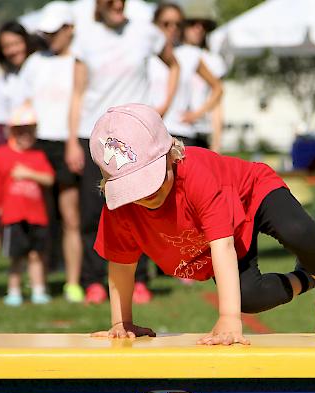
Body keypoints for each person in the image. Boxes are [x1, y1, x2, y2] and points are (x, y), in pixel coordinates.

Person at [90, 104, 315, 345]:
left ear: (171, 154)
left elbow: (223, 245)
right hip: (218, 237)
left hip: (251, 193)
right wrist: (121, 322)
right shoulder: (121, 209)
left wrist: (229, 319)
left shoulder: (197, 176)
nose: (147, 195)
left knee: (297, 230)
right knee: (249, 298)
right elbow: (121, 263)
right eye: (134, 188)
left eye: (151, 180)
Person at [67, 0, 180, 304]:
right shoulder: (85, 38)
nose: (117, 4)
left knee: (140, 208)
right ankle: (93, 281)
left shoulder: (145, 32)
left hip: (135, 137)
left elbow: (174, 65)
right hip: (95, 136)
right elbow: (77, 93)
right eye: (110, 1)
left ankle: (140, 279)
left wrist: (163, 108)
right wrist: (70, 141)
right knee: (93, 212)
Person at [17, 2, 85, 302]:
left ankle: (72, 282)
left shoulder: (80, 62)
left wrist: (73, 142)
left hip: (66, 144)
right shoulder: (35, 62)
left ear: (70, 29)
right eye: (46, 33)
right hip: (37, 145)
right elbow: (24, 104)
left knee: (70, 216)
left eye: (55, 32)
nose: (50, 38)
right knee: (38, 217)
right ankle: (40, 282)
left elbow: (81, 104)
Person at [0, 105, 55, 306]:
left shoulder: (37, 156)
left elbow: (49, 178)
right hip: (14, 215)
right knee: (16, 256)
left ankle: (38, 289)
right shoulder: (1, 153)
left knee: (36, 255)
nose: (26, 135)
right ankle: (14, 291)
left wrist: (28, 174)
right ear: (12, 132)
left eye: (30, 131)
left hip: (36, 215)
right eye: (21, 131)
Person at [150, 2, 223, 148]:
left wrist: (197, 114)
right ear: (155, 24)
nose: (172, 29)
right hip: (152, 132)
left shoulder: (190, 55)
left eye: (178, 24)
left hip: (181, 133)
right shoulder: (146, 55)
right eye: (166, 24)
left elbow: (218, 88)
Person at [181, 0, 227, 152]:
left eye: (204, 25)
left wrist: (217, 142)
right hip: (173, 131)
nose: (198, 29)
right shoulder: (170, 56)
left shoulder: (213, 60)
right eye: (193, 23)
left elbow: (218, 101)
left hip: (201, 133)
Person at [0, 21, 37, 145]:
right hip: (17, 146)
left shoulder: (42, 69)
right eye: (6, 46)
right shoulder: (4, 81)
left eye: (16, 43)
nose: (12, 50)